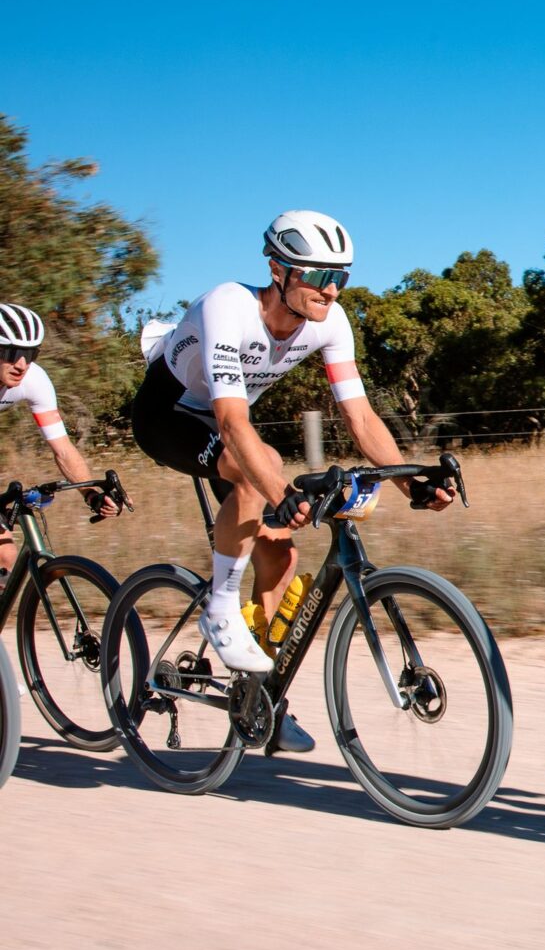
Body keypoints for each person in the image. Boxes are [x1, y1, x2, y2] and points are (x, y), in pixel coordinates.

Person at [132, 210, 453, 749]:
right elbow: (233, 425)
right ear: (279, 270)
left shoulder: (331, 321)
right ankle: (220, 607)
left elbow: (360, 417)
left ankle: (263, 702)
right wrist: (280, 493)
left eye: (341, 277)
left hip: (223, 421)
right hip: (169, 416)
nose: (331, 290)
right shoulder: (228, 307)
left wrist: (410, 482)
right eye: (318, 275)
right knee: (262, 473)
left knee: (281, 556)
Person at [0, 303, 123, 696]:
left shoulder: (32, 380)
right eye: (9, 352)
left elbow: (63, 449)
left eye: (30, 353)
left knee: (4, 555)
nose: (21, 363)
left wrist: (90, 491)